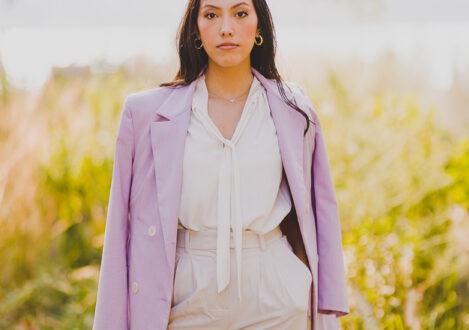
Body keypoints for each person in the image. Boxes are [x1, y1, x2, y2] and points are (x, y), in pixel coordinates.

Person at [92, 0, 350, 329]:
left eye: (240, 13)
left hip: (276, 296)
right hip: (185, 297)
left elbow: (321, 211)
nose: (226, 27)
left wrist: (327, 304)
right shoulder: (144, 114)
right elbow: (120, 229)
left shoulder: (293, 108)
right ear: (195, 30)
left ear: (259, 27)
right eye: (211, 14)